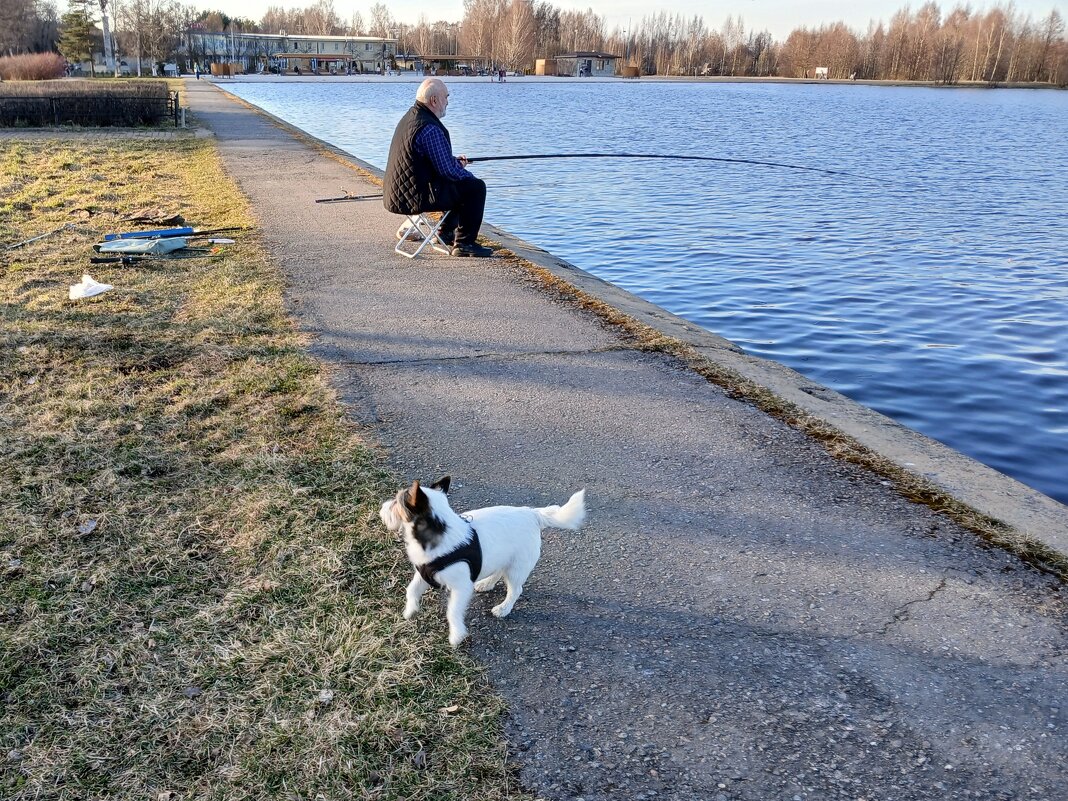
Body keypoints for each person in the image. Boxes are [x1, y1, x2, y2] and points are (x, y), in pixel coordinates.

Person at [383, 78, 492, 258]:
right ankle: (464, 243)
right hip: (414, 197)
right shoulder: (429, 128)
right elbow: (447, 171)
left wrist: (455, 163)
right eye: (446, 97)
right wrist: (467, 174)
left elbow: (432, 160)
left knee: (458, 182)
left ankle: (445, 232)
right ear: (434, 100)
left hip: (396, 194)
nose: (448, 102)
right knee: (474, 187)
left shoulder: (411, 117)